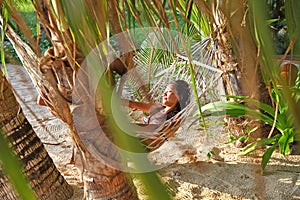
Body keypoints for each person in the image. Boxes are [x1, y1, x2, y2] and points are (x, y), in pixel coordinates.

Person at [123, 80, 191, 126]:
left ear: (180, 97)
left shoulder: (175, 118)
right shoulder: (158, 108)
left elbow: (152, 130)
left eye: (169, 91)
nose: (164, 94)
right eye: (165, 90)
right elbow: (132, 104)